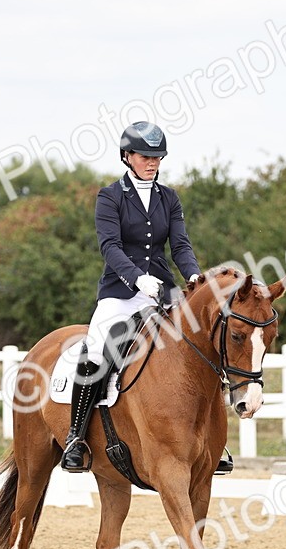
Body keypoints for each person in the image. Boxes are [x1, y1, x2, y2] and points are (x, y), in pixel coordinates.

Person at [60, 121, 202, 472]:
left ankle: (209, 440)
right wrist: (138, 279)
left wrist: (194, 276)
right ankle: (75, 437)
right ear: (127, 157)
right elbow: (110, 246)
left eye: (157, 157)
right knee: (96, 346)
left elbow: (180, 245)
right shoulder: (110, 197)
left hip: (164, 289)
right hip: (121, 291)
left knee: (199, 342)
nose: (152, 162)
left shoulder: (169, 198)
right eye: (144, 156)